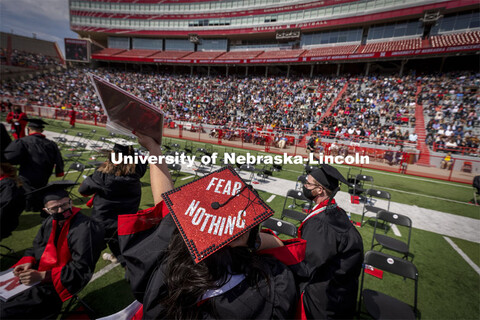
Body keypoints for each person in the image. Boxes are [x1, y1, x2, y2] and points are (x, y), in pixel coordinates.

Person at [117, 133, 301, 319]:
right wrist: (250, 240)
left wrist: (154, 149)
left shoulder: (169, 264)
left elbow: (166, 205)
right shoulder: (267, 289)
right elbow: (278, 243)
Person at [0, 181, 104, 319]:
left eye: (64, 205)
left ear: (71, 202)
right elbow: (37, 247)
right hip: (38, 271)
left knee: (6, 312)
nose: (61, 211)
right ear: (46, 211)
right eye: (55, 208)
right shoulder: (50, 221)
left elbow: (82, 269)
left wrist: (43, 276)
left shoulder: (85, 228)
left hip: (61, 280)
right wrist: (28, 260)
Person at [299, 165, 364, 319]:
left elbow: (307, 265)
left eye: (308, 184)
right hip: (341, 292)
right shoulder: (335, 211)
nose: (305, 186)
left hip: (324, 299)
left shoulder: (322, 224)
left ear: (320, 189)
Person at [78, 143, 147, 265]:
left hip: (103, 220)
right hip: (125, 220)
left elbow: (83, 190)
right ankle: (127, 269)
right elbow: (142, 162)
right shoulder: (137, 172)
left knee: (90, 249)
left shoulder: (102, 175)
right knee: (120, 244)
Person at [3, 118, 64, 213]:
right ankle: (37, 206)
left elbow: (10, 158)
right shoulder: (50, 143)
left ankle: (28, 207)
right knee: (40, 188)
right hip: (45, 173)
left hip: (28, 172)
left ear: (29, 129)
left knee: (28, 190)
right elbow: (58, 159)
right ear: (42, 130)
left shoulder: (23, 141)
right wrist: (59, 171)